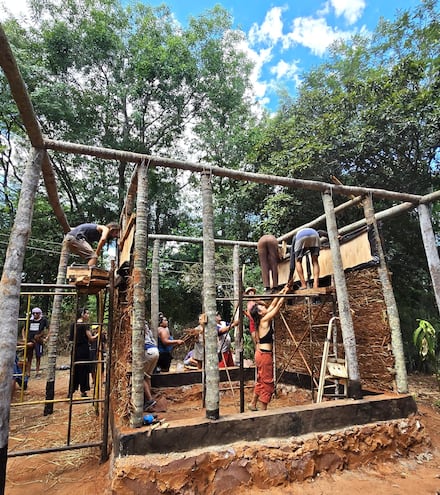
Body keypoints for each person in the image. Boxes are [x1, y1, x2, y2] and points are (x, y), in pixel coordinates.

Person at [248, 284, 289, 411]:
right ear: (260, 313)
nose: (265, 306)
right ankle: (263, 410)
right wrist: (284, 295)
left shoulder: (262, 319)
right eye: (262, 307)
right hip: (264, 355)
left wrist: (282, 291)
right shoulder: (264, 320)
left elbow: (272, 305)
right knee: (267, 382)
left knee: (261, 380)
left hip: (260, 354)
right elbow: (276, 308)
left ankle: (252, 403)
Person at [69, 308, 98, 397]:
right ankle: (83, 391)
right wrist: (99, 334)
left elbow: (70, 338)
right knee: (84, 369)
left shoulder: (73, 324)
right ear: (82, 314)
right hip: (83, 349)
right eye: (87, 313)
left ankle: (71, 391)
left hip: (75, 350)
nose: (88, 315)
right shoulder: (84, 325)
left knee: (75, 369)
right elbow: (91, 338)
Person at [22, 307, 49, 378]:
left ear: (40, 314)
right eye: (34, 313)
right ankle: (28, 373)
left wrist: (46, 338)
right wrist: (24, 338)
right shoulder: (30, 320)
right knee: (29, 357)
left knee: (38, 356)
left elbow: (48, 329)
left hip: (38, 341)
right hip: (30, 340)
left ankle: (37, 372)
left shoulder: (43, 320)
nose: (35, 314)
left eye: (37, 313)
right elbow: (24, 329)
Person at [143, 322, 159, 410]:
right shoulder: (147, 326)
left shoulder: (138, 324)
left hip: (148, 350)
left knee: (140, 377)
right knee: (147, 376)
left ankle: (149, 400)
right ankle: (149, 400)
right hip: (155, 350)